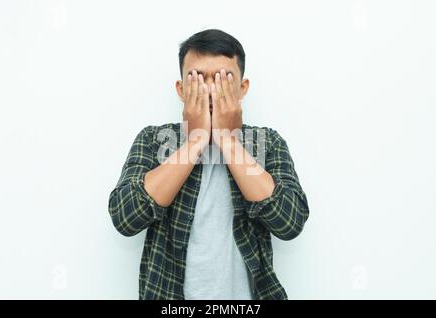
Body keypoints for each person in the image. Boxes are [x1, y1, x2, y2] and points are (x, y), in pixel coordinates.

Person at [108, 29, 309, 300]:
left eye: (224, 79)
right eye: (197, 78)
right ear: (181, 89)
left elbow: (290, 222)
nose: (211, 89)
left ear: (243, 87)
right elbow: (126, 217)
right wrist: (196, 141)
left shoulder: (267, 143)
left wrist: (229, 141)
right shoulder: (154, 141)